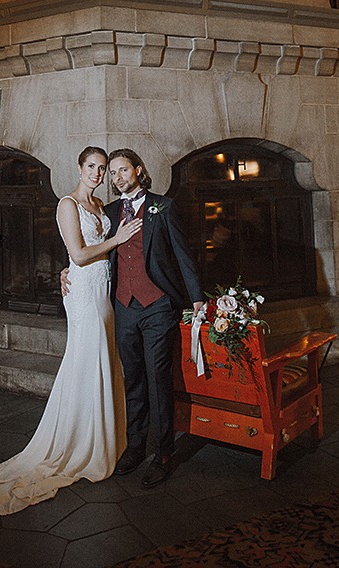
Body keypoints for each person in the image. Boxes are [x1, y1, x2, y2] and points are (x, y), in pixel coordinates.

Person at [0, 146, 141, 519]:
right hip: (84, 296)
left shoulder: (100, 206)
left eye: (103, 168)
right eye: (91, 166)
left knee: (101, 359)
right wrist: (114, 241)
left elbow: (90, 254)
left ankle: (102, 438)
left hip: (100, 290)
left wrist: (90, 257)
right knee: (85, 359)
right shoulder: (67, 204)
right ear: (79, 166)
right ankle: (78, 443)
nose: (97, 173)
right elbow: (77, 253)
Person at [104, 148, 204, 488]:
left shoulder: (164, 207)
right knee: (132, 379)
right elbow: (93, 252)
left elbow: (183, 256)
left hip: (158, 306)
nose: (117, 177)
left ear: (138, 170)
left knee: (158, 380)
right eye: (112, 172)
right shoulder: (110, 212)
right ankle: (135, 446)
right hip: (123, 307)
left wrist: (197, 298)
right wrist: (65, 270)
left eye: (122, 170)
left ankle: (163, 454)